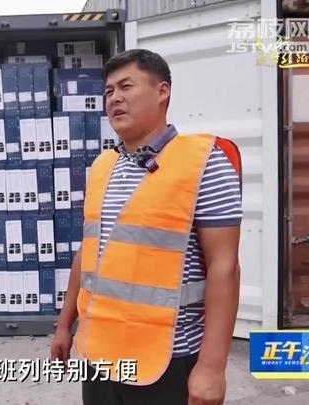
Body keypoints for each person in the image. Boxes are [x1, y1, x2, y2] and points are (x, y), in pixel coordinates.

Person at [50, 48, 243, 405]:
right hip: (99, 355)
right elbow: (89, 252)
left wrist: (212, 367)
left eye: (126, 86)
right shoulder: (102, 167)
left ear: (162, 91)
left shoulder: (204, 162)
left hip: (167, 357)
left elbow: (225, 266)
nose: (114, 98)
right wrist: (65, 325)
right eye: (109, 91)